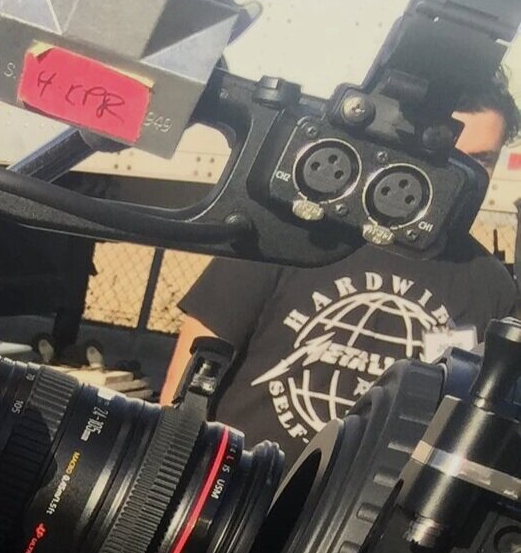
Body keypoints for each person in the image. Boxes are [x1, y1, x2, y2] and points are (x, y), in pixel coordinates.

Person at [159, 80, 521, 449]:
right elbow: (187, 381)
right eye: (449, 156)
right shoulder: (288, 234)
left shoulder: (492, 287)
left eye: (480, 161)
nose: (459, 177)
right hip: (236, 478)